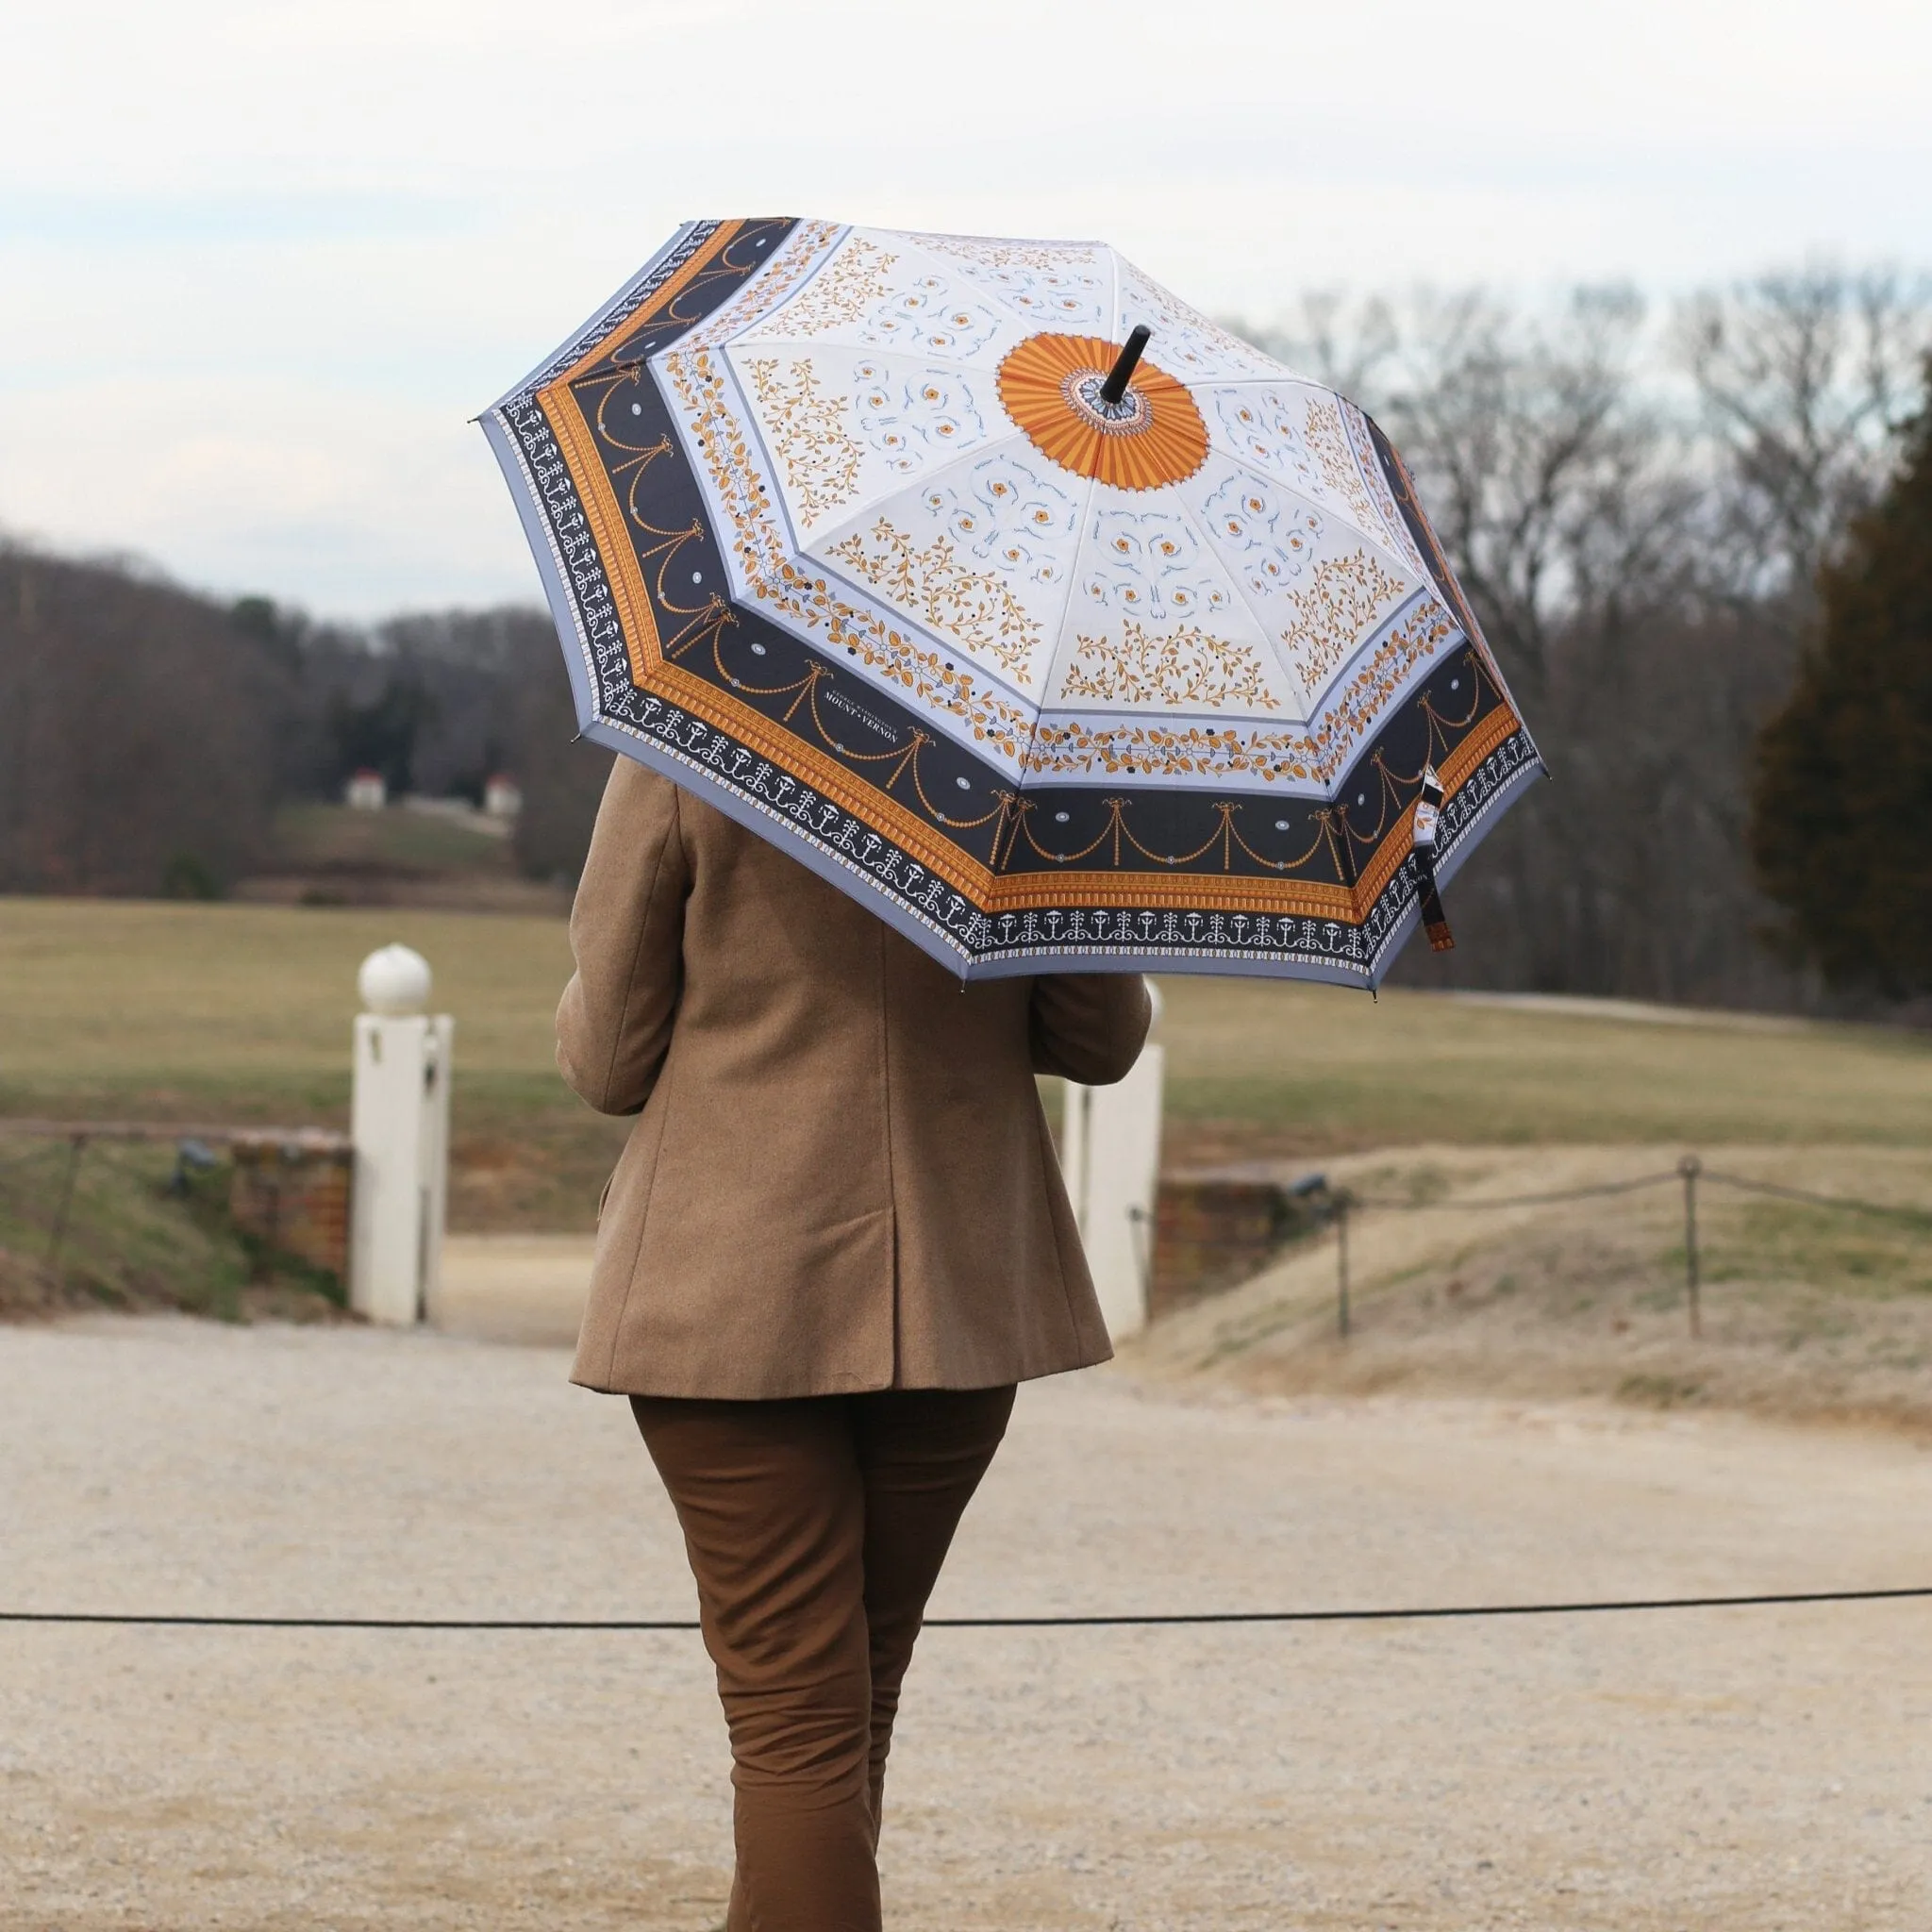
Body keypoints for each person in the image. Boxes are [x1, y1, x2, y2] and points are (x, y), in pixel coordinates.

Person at [557, 759, 1152, 1932]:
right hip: (955, 1284)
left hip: (729, 1289)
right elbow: (1098, 1037)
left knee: (796, 1721)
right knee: (844, 1707)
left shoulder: (694, 741)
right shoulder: (1035, 764)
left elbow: (608, 1058)